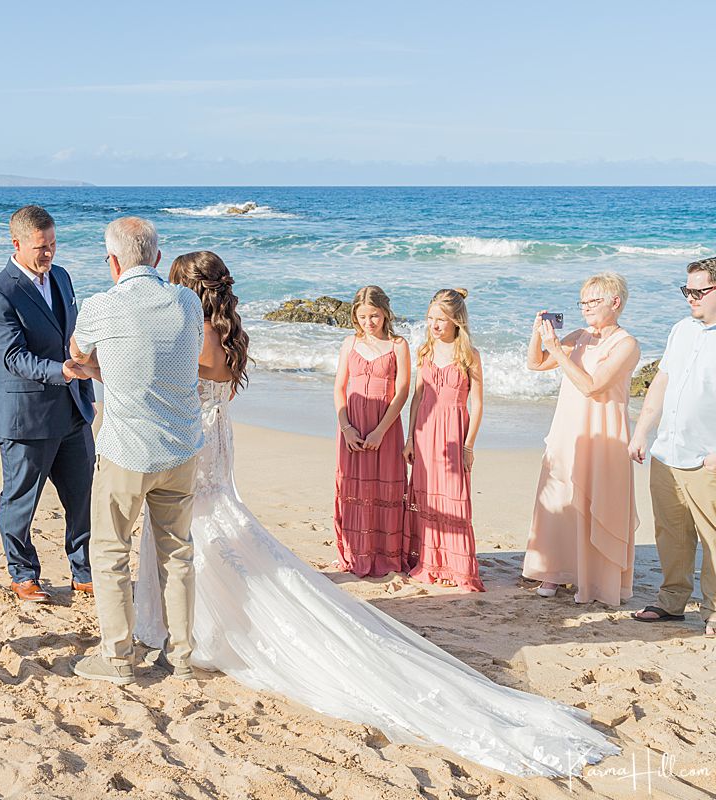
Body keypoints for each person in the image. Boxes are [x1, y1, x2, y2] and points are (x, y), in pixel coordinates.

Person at [132, 252, 618, 777]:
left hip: (199, 451)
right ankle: (186, 622)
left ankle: (194, 629)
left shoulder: (200, 333)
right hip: (213, 448)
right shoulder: (223, 331)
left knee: (199, 533)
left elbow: (178, 376)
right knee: (207, 533)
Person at [69, 217, 204, 686]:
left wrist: (101, 368)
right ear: (158, 258)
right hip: (182, 447)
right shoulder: (188, 302)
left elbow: (79, 355)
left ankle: (118, 657)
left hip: (127, 450)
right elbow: (172, 363)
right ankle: (182, 655)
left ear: (112, 261)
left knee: (109, 551)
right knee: (177, 553)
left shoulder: (101, 306)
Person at [0, 206, 95, 603]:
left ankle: (84, 572)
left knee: (81, 498)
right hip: (26, 417)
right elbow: (13, 357)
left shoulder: (62, 277)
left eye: (53, 245)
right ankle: (23, 574)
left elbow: (73, 335)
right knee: (20, 500)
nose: (49, 255)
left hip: (74, 409)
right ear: (17, 243)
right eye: (41, 248)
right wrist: (62, 370)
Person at [522, 272, 640, 605]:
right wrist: (538, 336)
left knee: (596, 501)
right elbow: (535, 363)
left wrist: (558, 352)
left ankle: (595, 579)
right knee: (562, 497)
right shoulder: (581, 335)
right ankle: (555, 571)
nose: (586, 307)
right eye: (583, 301)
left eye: (593, 301)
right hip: (567, 428)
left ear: (614, 302)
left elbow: (592, 385)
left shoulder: (626, 343)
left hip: (602, 434)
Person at [629, 257, 716, 635]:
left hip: (707, 456)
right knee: (671, 532)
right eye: (687, 290)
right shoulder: (680, 330)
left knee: (712, 537)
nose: (690, 298)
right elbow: (661, 383)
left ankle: (714, 608)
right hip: (667, 451)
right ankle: (672, 601)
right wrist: (642, 431)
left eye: (699, 291)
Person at [404, 289, 485, 591]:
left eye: (441, 319)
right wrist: (410, 438)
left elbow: (476, 403)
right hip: (425, 432)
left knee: (453, 498)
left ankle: (456, 565)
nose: (434, 325)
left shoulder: (469, 355)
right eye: (430, 319)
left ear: (456, 321)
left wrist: (468, 445)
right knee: (426, 496)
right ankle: (429, 562)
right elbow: (417, 397)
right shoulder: (425, 351)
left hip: (453, 433)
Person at [332, 285, 412, 577]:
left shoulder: (398, 345)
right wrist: (346, 428)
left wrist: (380, 431)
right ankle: (354, 552)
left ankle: (384, 556)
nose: (369, 322)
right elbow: (339, 388)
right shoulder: (349, 344)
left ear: (385, 314)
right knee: (354, 489)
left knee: (384, 488)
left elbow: (402, 391)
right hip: (352, 426)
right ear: (355, 315)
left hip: (385, 427)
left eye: (374, 316)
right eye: (363, 316)